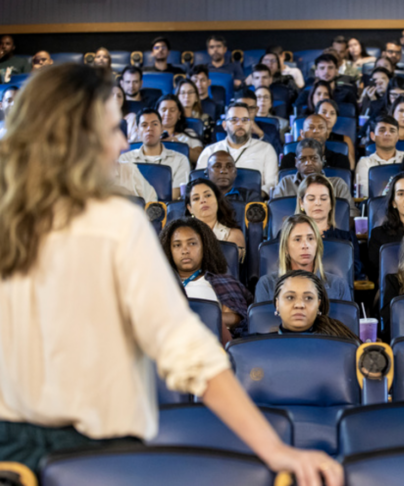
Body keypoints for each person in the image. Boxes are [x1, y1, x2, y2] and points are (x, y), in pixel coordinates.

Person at [0, 63, 342, 483]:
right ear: (75, 138)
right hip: (94, 454)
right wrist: (273, 448)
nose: (123, 143)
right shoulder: (116, 223)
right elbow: (184, 346)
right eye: (112, 130)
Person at [160, 218, 253, 343]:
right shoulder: (158, 285)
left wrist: (200, 318)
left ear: (204, 247)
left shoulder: (222, 282)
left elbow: (236, 318)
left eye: (192, 243)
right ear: (169, 250)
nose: (185, 250)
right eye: (177, 245)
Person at [255, 214, 351, 303]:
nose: (305, 245)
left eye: (310, 238)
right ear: (286, 248)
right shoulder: (266, 285)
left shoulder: (339, 286)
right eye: (297, 239)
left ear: (317, 245)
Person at [196, 102, 279, 197]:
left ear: (251, 124)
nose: (240, 124)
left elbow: (272, 185)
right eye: (234, 120)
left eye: (245, 120)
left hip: (251, 204)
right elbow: (198, 184)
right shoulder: (210, 151)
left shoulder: (266, 149)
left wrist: (251, 197)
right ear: (224, 125)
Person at [296, 174, 365, 280]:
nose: (318, 203)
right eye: (311, 199)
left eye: (323, 199)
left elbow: (355, 273)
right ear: (301, 203)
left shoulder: (347, 238)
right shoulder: (287, 236)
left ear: (331, 203)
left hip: (336, 293)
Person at [118, 108, 190, 200]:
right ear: (137, 130)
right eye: (144, 125)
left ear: (162, 129)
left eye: (154, 124)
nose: (149, 128)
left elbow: (175, 195)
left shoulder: (180, 159)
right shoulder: (124, 159)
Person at [273, 138, 357, 214]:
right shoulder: (285, 184)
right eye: (303, 159)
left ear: (322, 160)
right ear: (296, 162)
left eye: (314, 158)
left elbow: (350, 214)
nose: (308, 163)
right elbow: (275, 214)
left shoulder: (338, 185)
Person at [272, 270, 359, 340]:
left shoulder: (339, 343)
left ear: (318, 305)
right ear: (277, 304)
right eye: (290, 297)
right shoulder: (260, 346)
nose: (299, 305)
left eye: (308, 298)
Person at [185, 178, 246, 259]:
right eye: (196, 198)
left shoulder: (233, 234)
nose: (203, 200)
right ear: (190, 208)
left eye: (208, 195)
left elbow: (228, 266)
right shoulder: (183, 235)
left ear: (217, 200)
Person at [356, 115, 404, 198]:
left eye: (392, 130)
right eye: (382, 130)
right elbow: (364, 193)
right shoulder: (365, 162)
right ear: (373, 136)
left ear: (397, 137)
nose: (387, 133)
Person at [280, 114, 350, 171]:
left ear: (327, 134)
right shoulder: (289, 160)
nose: (316, 131)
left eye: (321, 127)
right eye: (311, 127)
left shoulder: (340, 160)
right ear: (302, 134)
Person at [155, 94, 203, 163]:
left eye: (172, 110)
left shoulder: (189, 133)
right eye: (163, 110)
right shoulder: (150, 133)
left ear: (179, 114)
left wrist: (178, 145)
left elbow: (199, 157)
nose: (167, 113)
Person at [315, 98, 355, 170]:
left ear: (336, 118)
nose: (328, 116)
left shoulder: (345, 140)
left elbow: (351, 166)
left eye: (332, 113)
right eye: (324, 112)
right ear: (316, 115)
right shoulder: (307, 137)